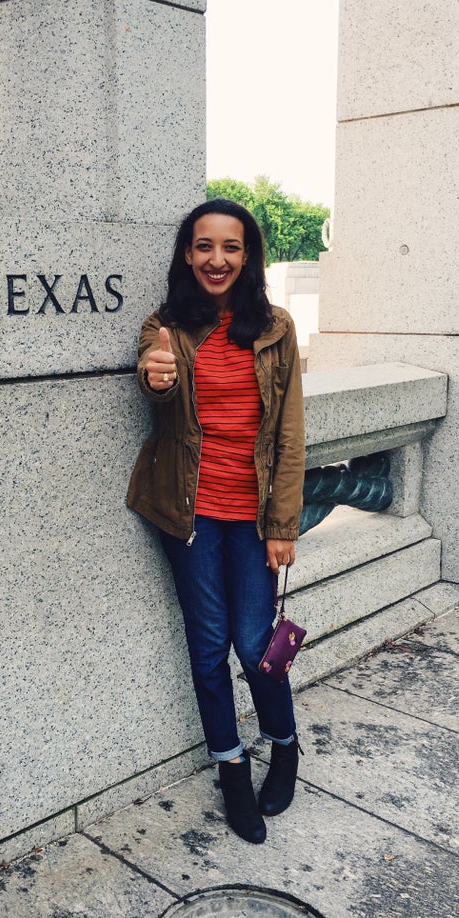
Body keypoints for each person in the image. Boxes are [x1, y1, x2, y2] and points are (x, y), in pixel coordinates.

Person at [127, 197, 305, 844]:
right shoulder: (167, 326)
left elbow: (289, 432)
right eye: (204, 246)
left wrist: (284, 522)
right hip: (190, 512)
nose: (217, 258)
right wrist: (156, 374)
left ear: (248, 255)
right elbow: (156, 380)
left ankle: (283, 743)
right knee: (208, 649)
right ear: (186, 253)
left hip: (255, 518)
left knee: (257, 648)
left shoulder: (276, 328)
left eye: (231, 247)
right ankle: (230, 766)